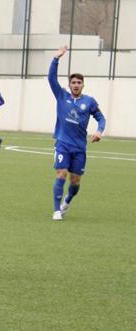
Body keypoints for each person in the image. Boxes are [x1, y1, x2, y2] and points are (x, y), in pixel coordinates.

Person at [48, 45, 106, 221]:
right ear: (69, 85)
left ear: (83, 85)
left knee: (75, 182)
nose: (76, 85)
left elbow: (101, 118)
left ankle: (67, 201)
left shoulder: (89, 101)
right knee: (61, 174)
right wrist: (56, 58)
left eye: (79, 83)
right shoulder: (61, 96)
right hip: (63, 144)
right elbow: (51, 78)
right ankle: (56, 210)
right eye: (73, 82)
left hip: (80, 147)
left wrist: (99, 131)